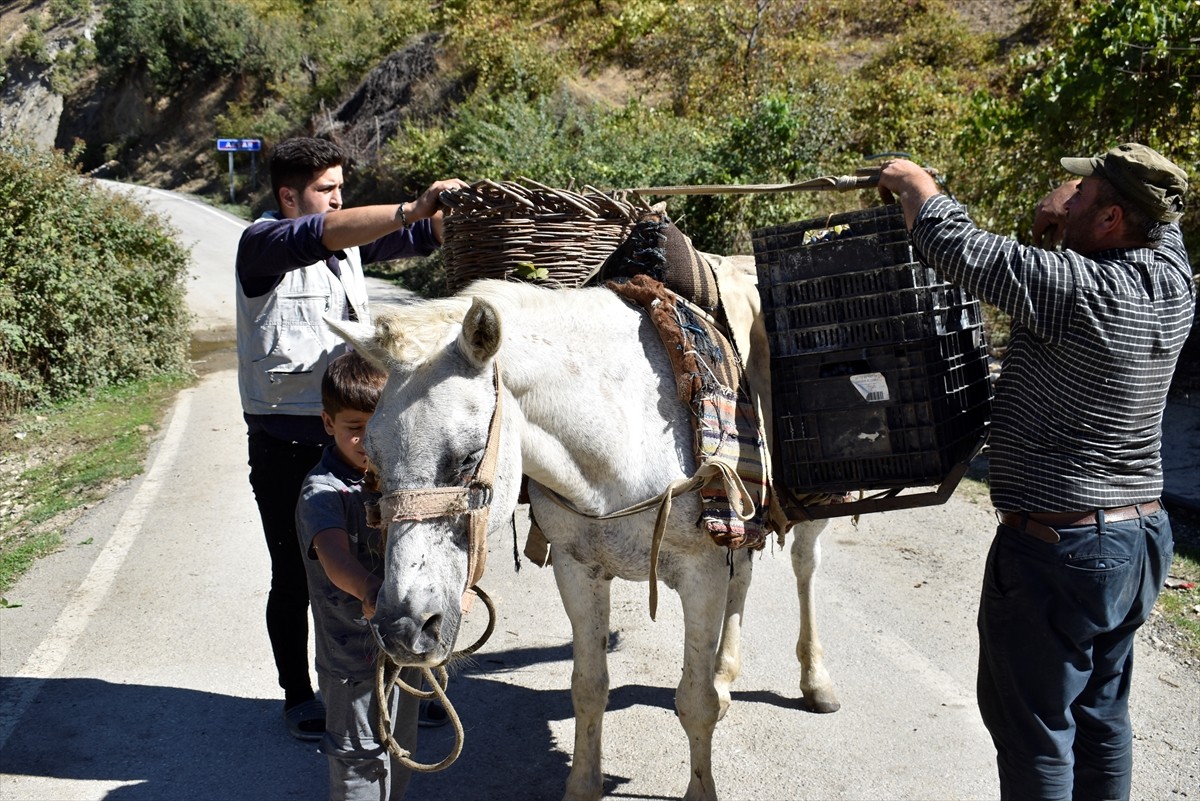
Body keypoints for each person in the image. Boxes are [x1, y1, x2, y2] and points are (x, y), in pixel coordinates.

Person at [878, 143, 1193, 801]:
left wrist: (912, 180)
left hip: (1059, 550)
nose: (1066, 195)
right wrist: (1073, 221)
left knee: (1037, 736)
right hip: (1136, 542)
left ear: (1111, 219)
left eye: (1082, 193)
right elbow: (1167, 221)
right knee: (1101, 719)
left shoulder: (1073, 289)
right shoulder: (1174, 279)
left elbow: (957, 245)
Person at [236, 135, 466, 740]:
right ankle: (298, 697)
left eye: (342, 188)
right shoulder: (261, 244)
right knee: (297, 575)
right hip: (286, 443)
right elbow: (325, 235)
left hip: (360, 439)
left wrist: (453, 215)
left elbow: (420, 235)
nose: (338, 200)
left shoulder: (347, 245)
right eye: (325, 189)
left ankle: (409, 687)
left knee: (393, 563)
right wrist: (409, 210)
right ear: (288, 196)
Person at [295, 350, 421, 800]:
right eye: (354, 430)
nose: (368, 442)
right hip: (352, 661)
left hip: (405, 650)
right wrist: (371, 588)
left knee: (401, 749)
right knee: (359, 759)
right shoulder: (321, 493)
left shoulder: (404, 480)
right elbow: (334, 559)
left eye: (379, 426)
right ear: (328, 423)